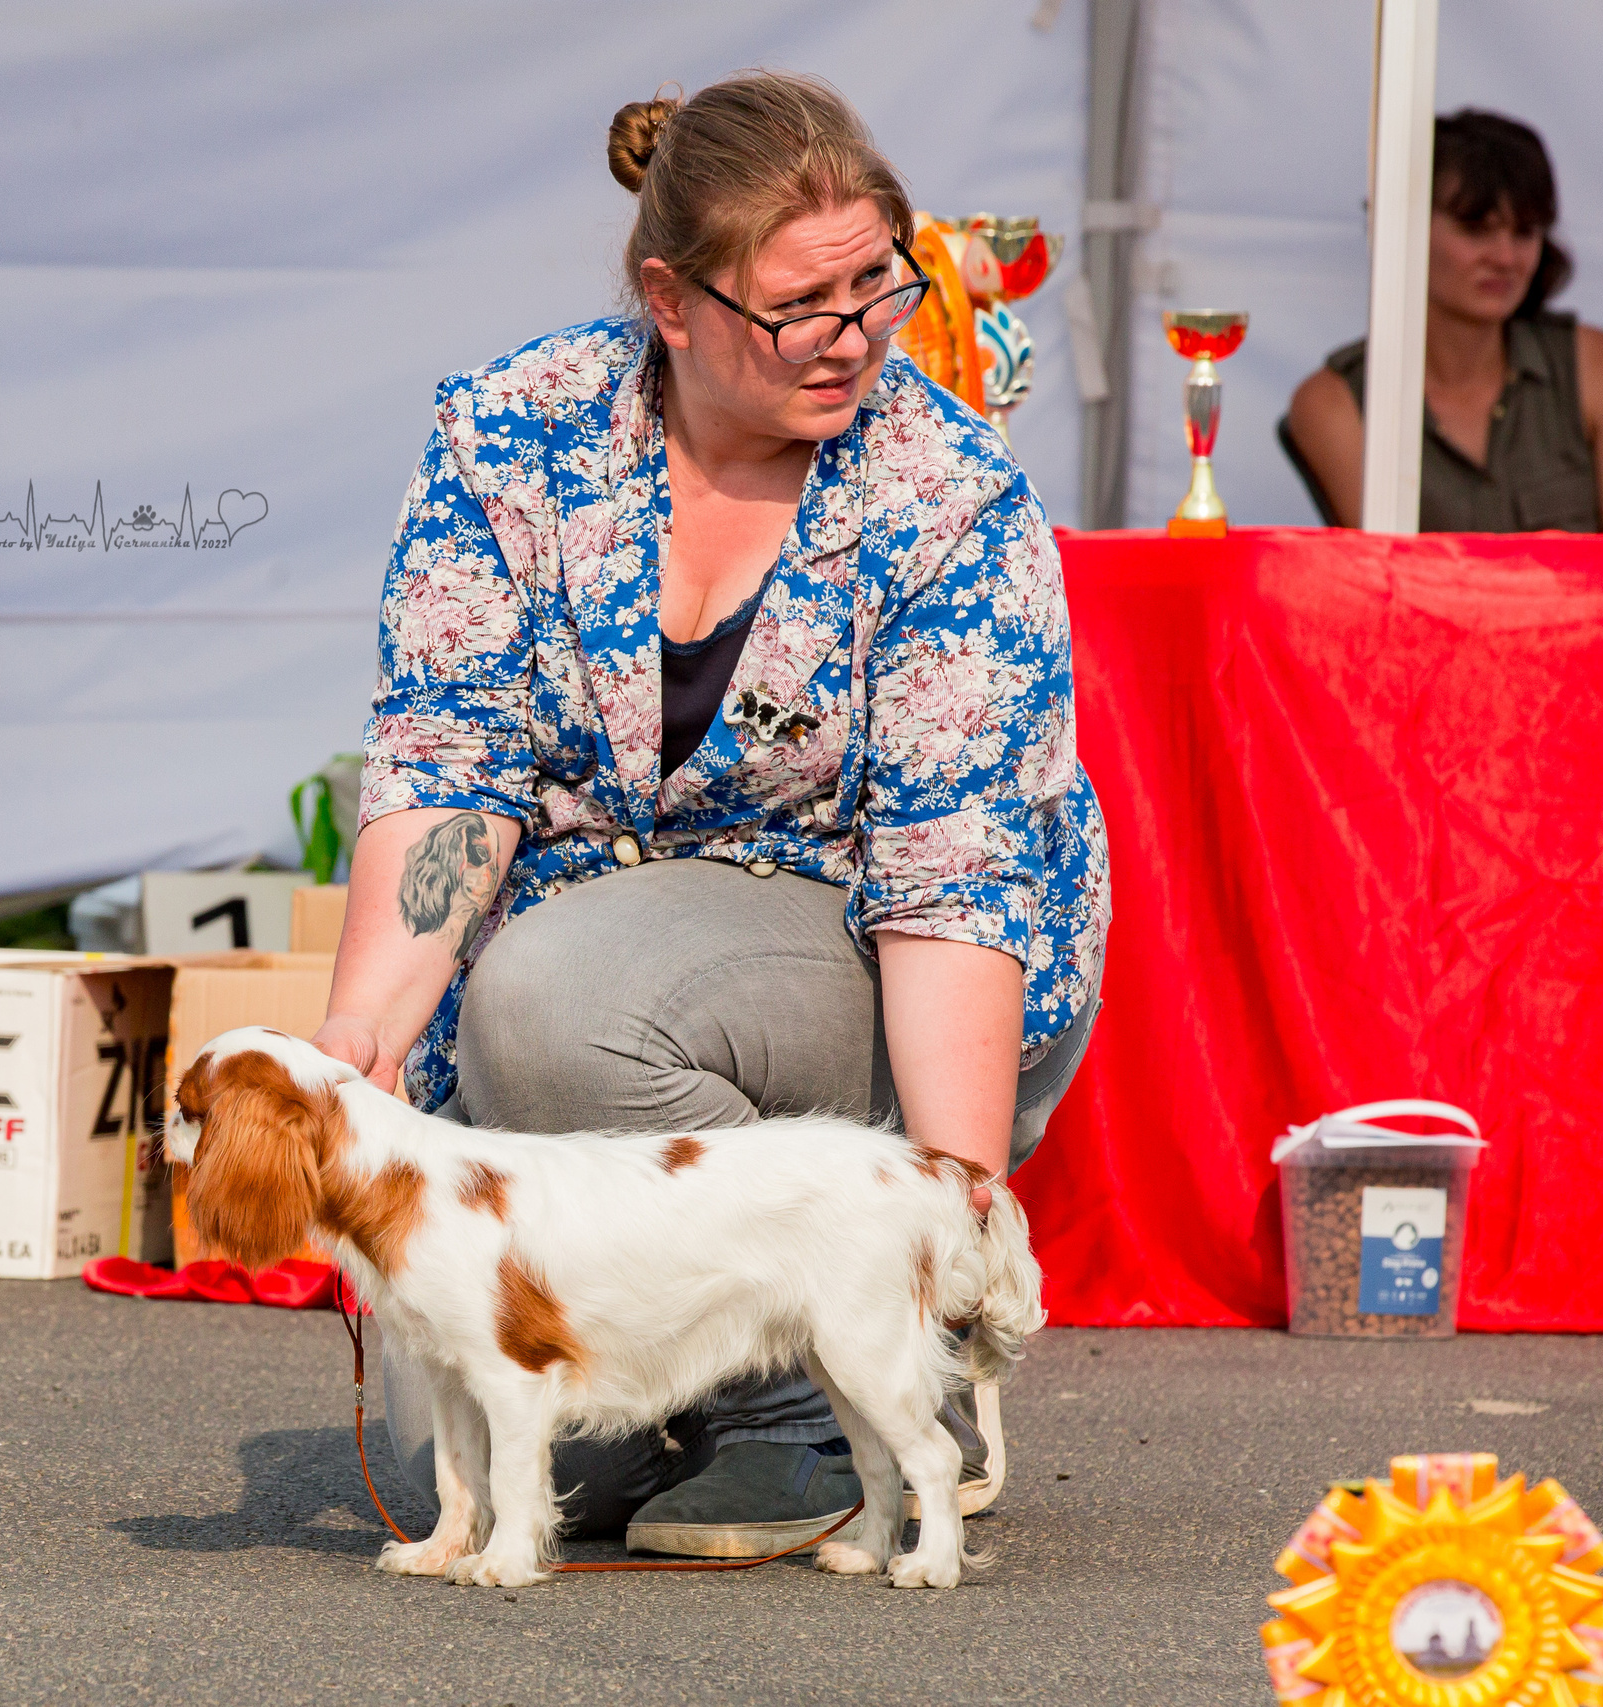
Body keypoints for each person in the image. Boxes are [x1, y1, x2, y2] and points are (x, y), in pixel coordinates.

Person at [312, 72, 1109, 1558]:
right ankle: (685, 1386)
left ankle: (807, 1404)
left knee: (557, 1001)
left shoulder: (951, 495)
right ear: (670, 300)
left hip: (869, 959)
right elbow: (449, 758)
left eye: (881, 279)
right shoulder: (510, 434)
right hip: (603, 973)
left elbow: (957, 875)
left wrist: (960, 1217)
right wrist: (362, 1038)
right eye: (802, 304)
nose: (858, 333)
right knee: (466, 1370)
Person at [1287, 109, 1603, 533]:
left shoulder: (1597, 366)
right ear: (1400, 228)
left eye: (1525, 232)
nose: (1505, 258)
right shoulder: (1333, 402)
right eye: (1476, 229)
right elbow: (1390, 586)